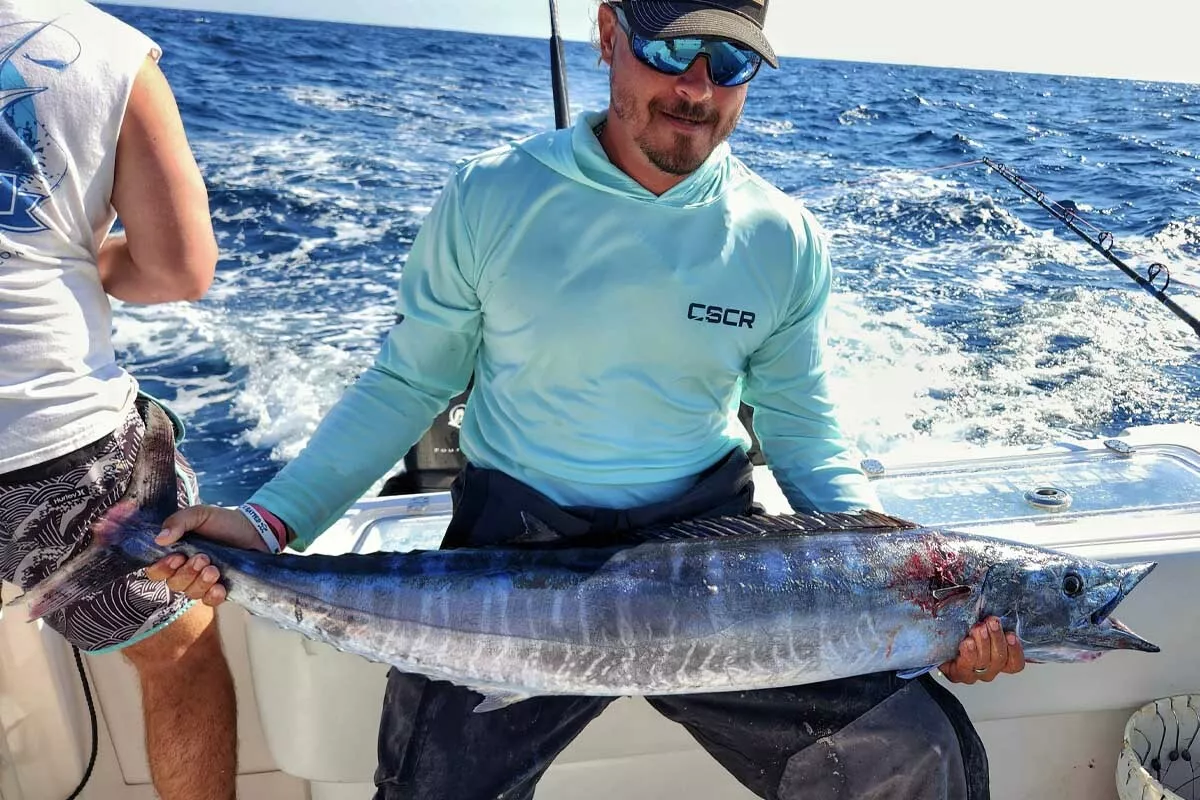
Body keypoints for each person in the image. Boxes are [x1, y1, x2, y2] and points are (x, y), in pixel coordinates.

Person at [151, 1, 1024, 798]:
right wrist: (270, 523)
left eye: (729, 64)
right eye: (670, 51)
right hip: (518, 545)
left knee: (919, 757)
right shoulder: (492, 194)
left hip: (707, 556)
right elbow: (408, 381)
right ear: (609, 35)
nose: (696, 88)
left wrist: (909, 592)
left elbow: (802, 426)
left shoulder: (781, 236)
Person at [0, 2, 238, 798]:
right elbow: (179, 269)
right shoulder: (109, 51)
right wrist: (80, 260)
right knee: (178, 650)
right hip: (45, 436)